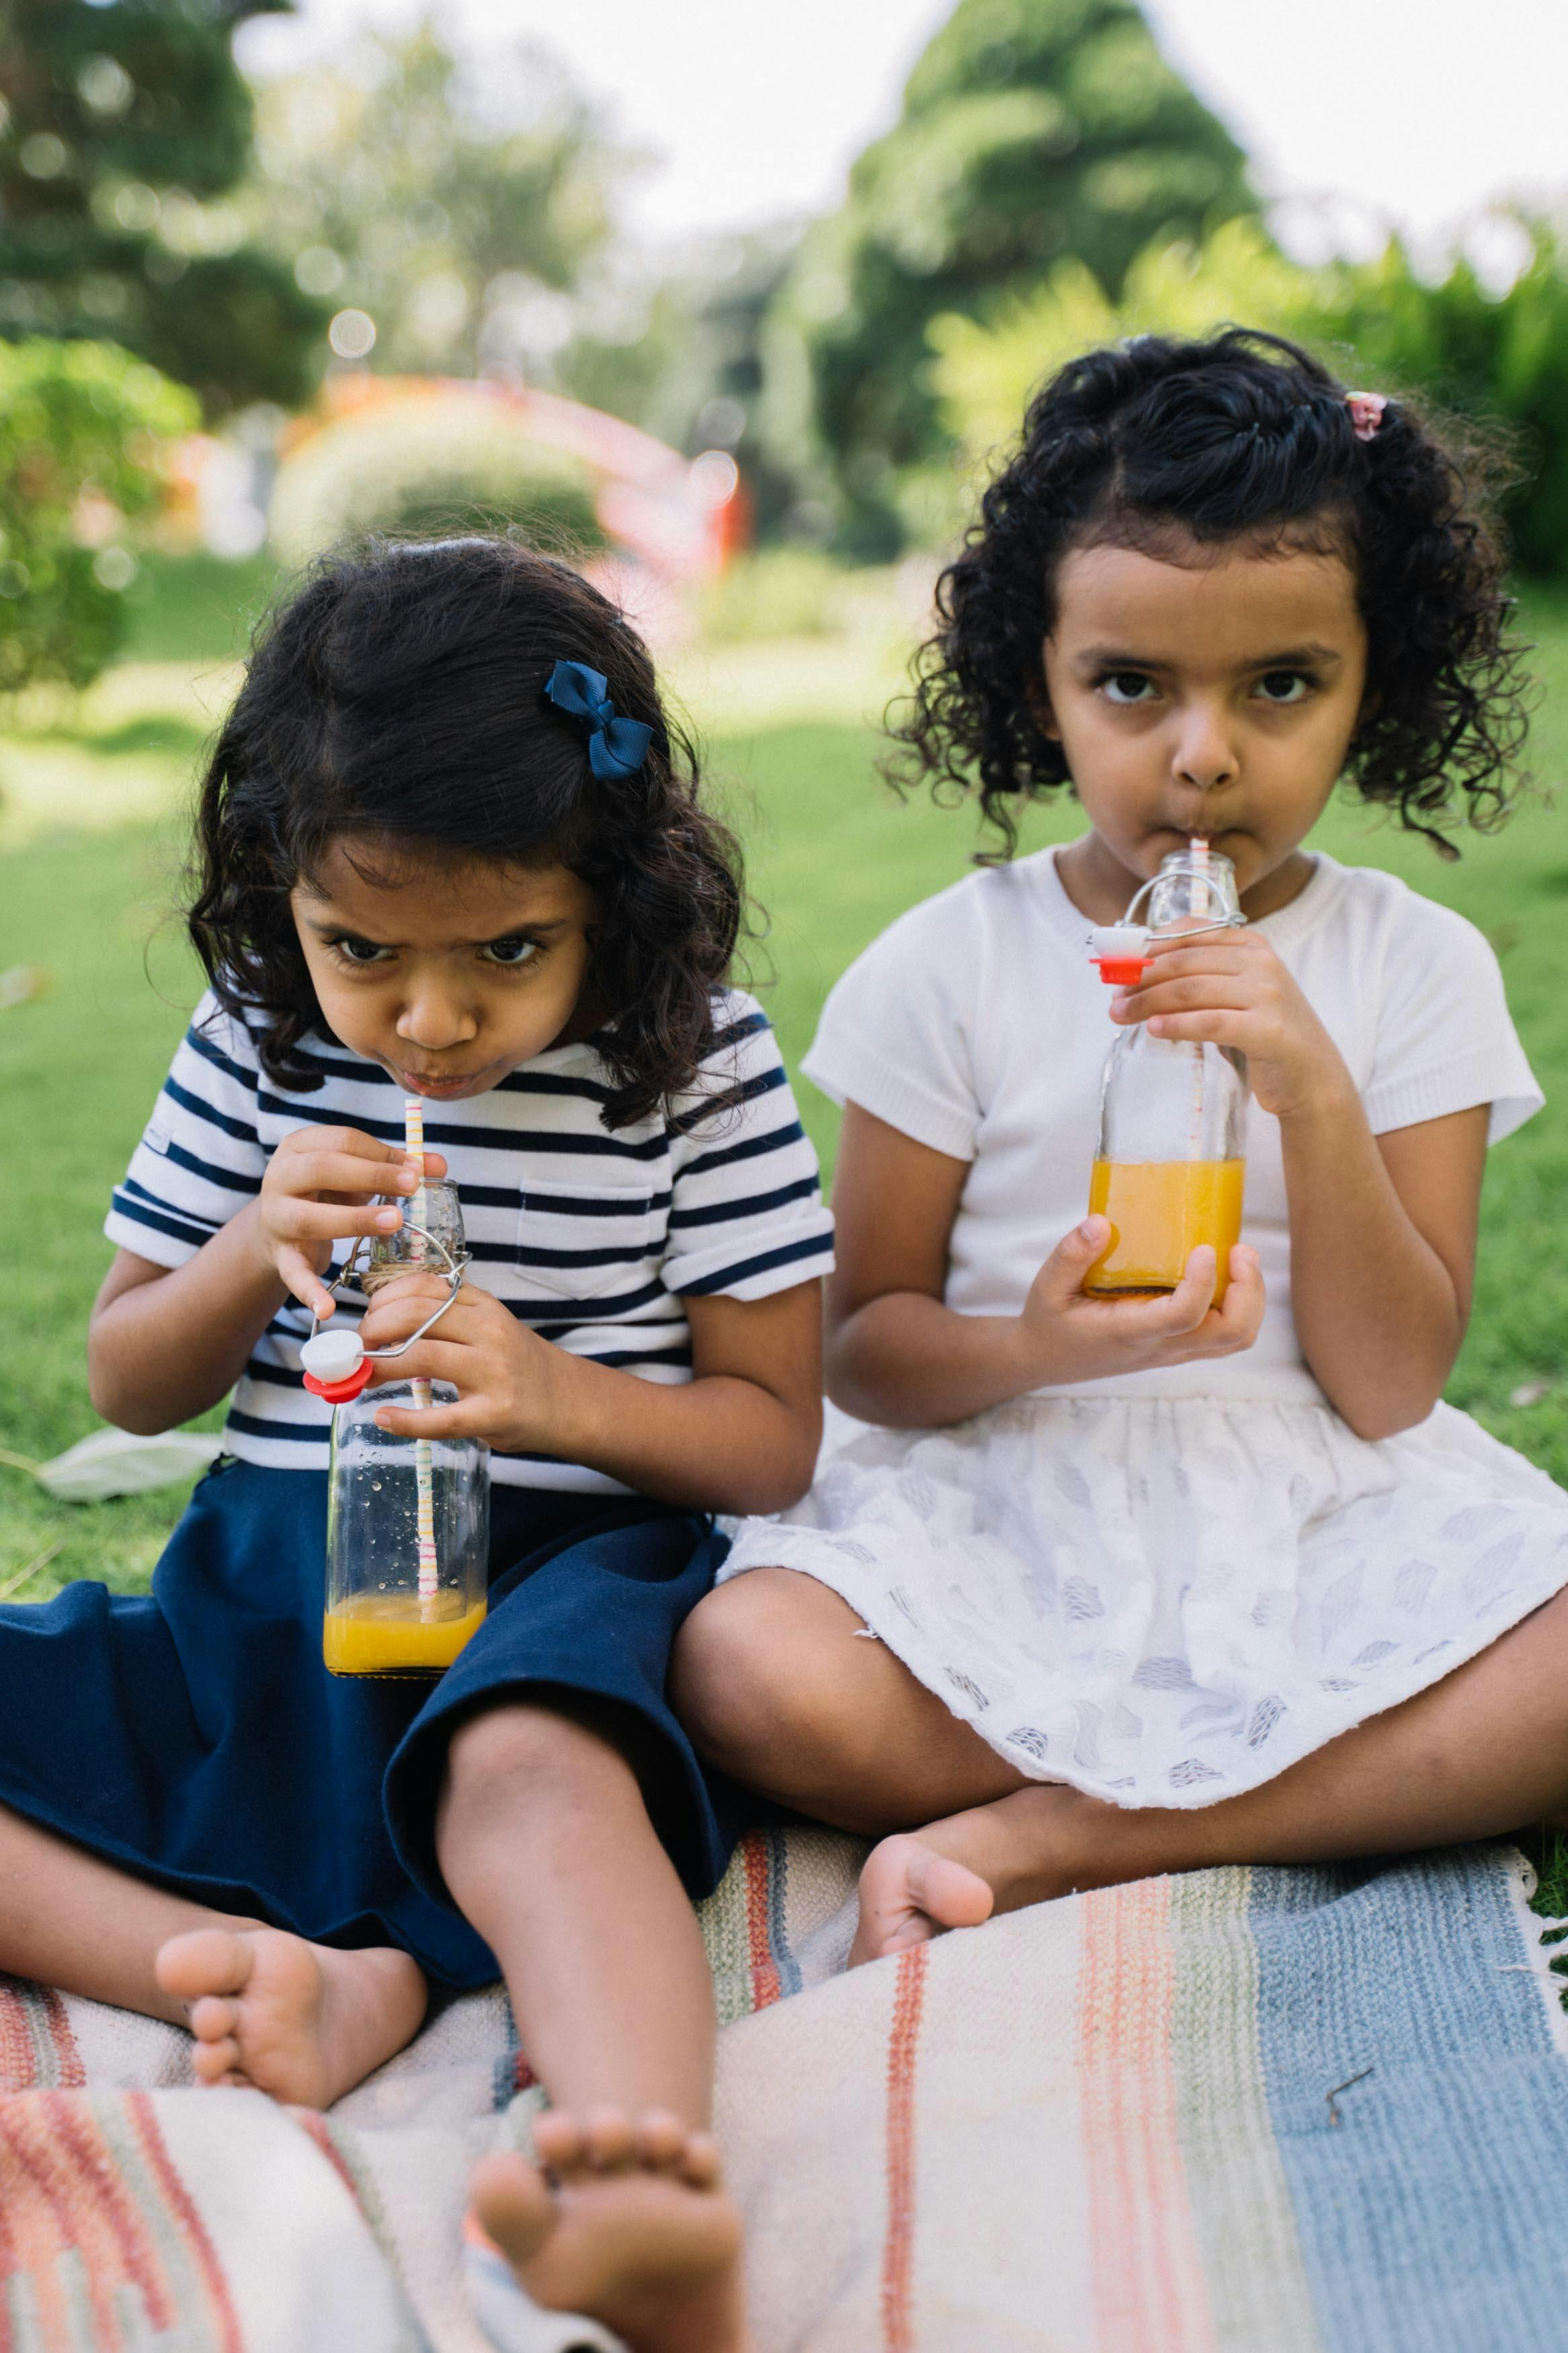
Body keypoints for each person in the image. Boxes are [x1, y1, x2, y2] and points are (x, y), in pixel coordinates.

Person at [7, 539, 833, 2353]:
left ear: (615, 896)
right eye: (362, 948)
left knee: (532, 1777)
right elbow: (129, 1382)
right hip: (269, 1608)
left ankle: (641, 2188)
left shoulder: (693, 1070)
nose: (430, 1020)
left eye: (507, 953)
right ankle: (267, 1975)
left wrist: (548, 1392)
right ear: (278, 888)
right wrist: (248, 1246)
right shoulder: (257, 1048)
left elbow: (774, 1437)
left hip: (549, 1593)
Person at [672, 329, 1568, 1971]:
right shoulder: (953, 963)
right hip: (1010, 1496)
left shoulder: (1414, 966)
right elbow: (861, 1350)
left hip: (1317, 1497)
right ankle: (1300, 1781)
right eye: (1132, 685)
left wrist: (1308, 1082)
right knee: (748, 1666)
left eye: (1282, 684)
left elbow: (1392, 1385)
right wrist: (1034, 1342)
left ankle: (1066, 1833)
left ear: (1381, 683)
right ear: (1043, 681)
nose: (1205, 753)